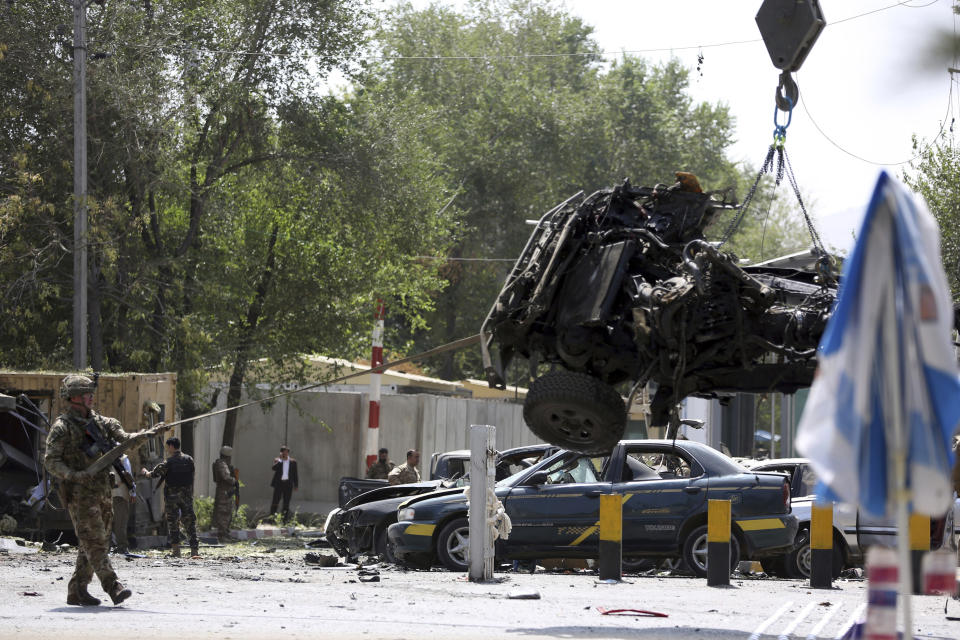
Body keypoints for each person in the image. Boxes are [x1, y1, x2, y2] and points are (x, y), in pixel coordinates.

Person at [43, 374, 135, 606]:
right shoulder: (62, 428)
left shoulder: (104, 423)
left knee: (97, 541)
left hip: (103, 491)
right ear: (74, 397)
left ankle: (77, 591)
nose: (91, 397)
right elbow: (51, 461)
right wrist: (74, 474)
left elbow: (125, 440)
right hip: (79, 494)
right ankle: (113, 586)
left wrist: (147, 435)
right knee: (94, 541)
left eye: (91, 393)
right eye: (86, 393)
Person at [142, 437, 198, 558]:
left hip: (172, 499)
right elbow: (192, 475)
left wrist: (145, 472)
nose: (167, 450)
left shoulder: (169, 462)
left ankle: (176, 551)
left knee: (173, 523)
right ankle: (194, 551)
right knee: (190, 522)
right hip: (186, 497)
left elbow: (154, 474)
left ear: (172, 446)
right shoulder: (189, 459)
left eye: (167, 447)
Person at [110, 454, 136, 554]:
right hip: (121, 493)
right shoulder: (123, 459)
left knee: (108, 522)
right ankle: (122, 547)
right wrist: (133, 492)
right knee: (121, 522)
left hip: (108, 493)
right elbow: (128, 475)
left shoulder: (103, 457)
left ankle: (108, 547)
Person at [212, 445, 237, 542]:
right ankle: (222, 535)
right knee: (223, 513)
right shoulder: (222, 464)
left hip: (225, 491)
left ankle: (225, 533)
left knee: (227, 513)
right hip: (224, 492)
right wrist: (234, 481)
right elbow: (226, 477)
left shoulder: (221, 463)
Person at [270, 445, 298, 521]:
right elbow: (274, 468)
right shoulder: (277, 460)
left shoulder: (293, 462)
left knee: (286, 502)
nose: (285, 454)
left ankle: (284, 520)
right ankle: (271, 518)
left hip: (288, 484)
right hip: (279, 484)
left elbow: (295, 474)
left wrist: (296, 485)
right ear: (281, 453)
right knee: (275, 501)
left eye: (286, 452)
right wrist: (280, 460)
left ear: (288, 453)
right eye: (283, 452)